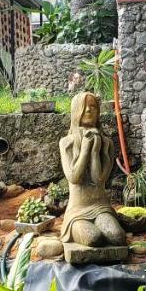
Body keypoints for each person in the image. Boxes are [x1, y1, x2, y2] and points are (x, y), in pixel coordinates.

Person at [59, 91, 125, 248]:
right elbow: (74, 178)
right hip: (78, 212)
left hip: (100, 208)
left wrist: (95, 151)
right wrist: (84, 150)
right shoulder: (66, 143)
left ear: (98, 112)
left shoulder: (106, 143)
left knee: (117, 237)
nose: (89, 110)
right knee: (93, 239)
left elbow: (99, 180)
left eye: (93, 106)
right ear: (76, 110)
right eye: (84, 106)